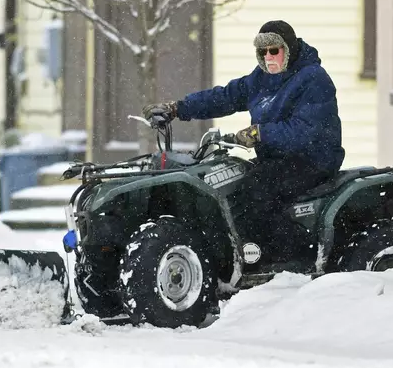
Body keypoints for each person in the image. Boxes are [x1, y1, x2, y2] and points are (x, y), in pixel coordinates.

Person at [143, 20, 344, 261]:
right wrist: (178, 109)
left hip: (314, 159)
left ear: (288, 49)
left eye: (274, 50)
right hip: (278, 158)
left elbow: (305, 132)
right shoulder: (261, 78)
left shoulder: (313, 78)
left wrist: (260, 133)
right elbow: (225, 97)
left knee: (256, 190)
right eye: (262, 51)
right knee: (233, 185)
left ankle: (296, 255)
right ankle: (244, 250)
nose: (268, 56)